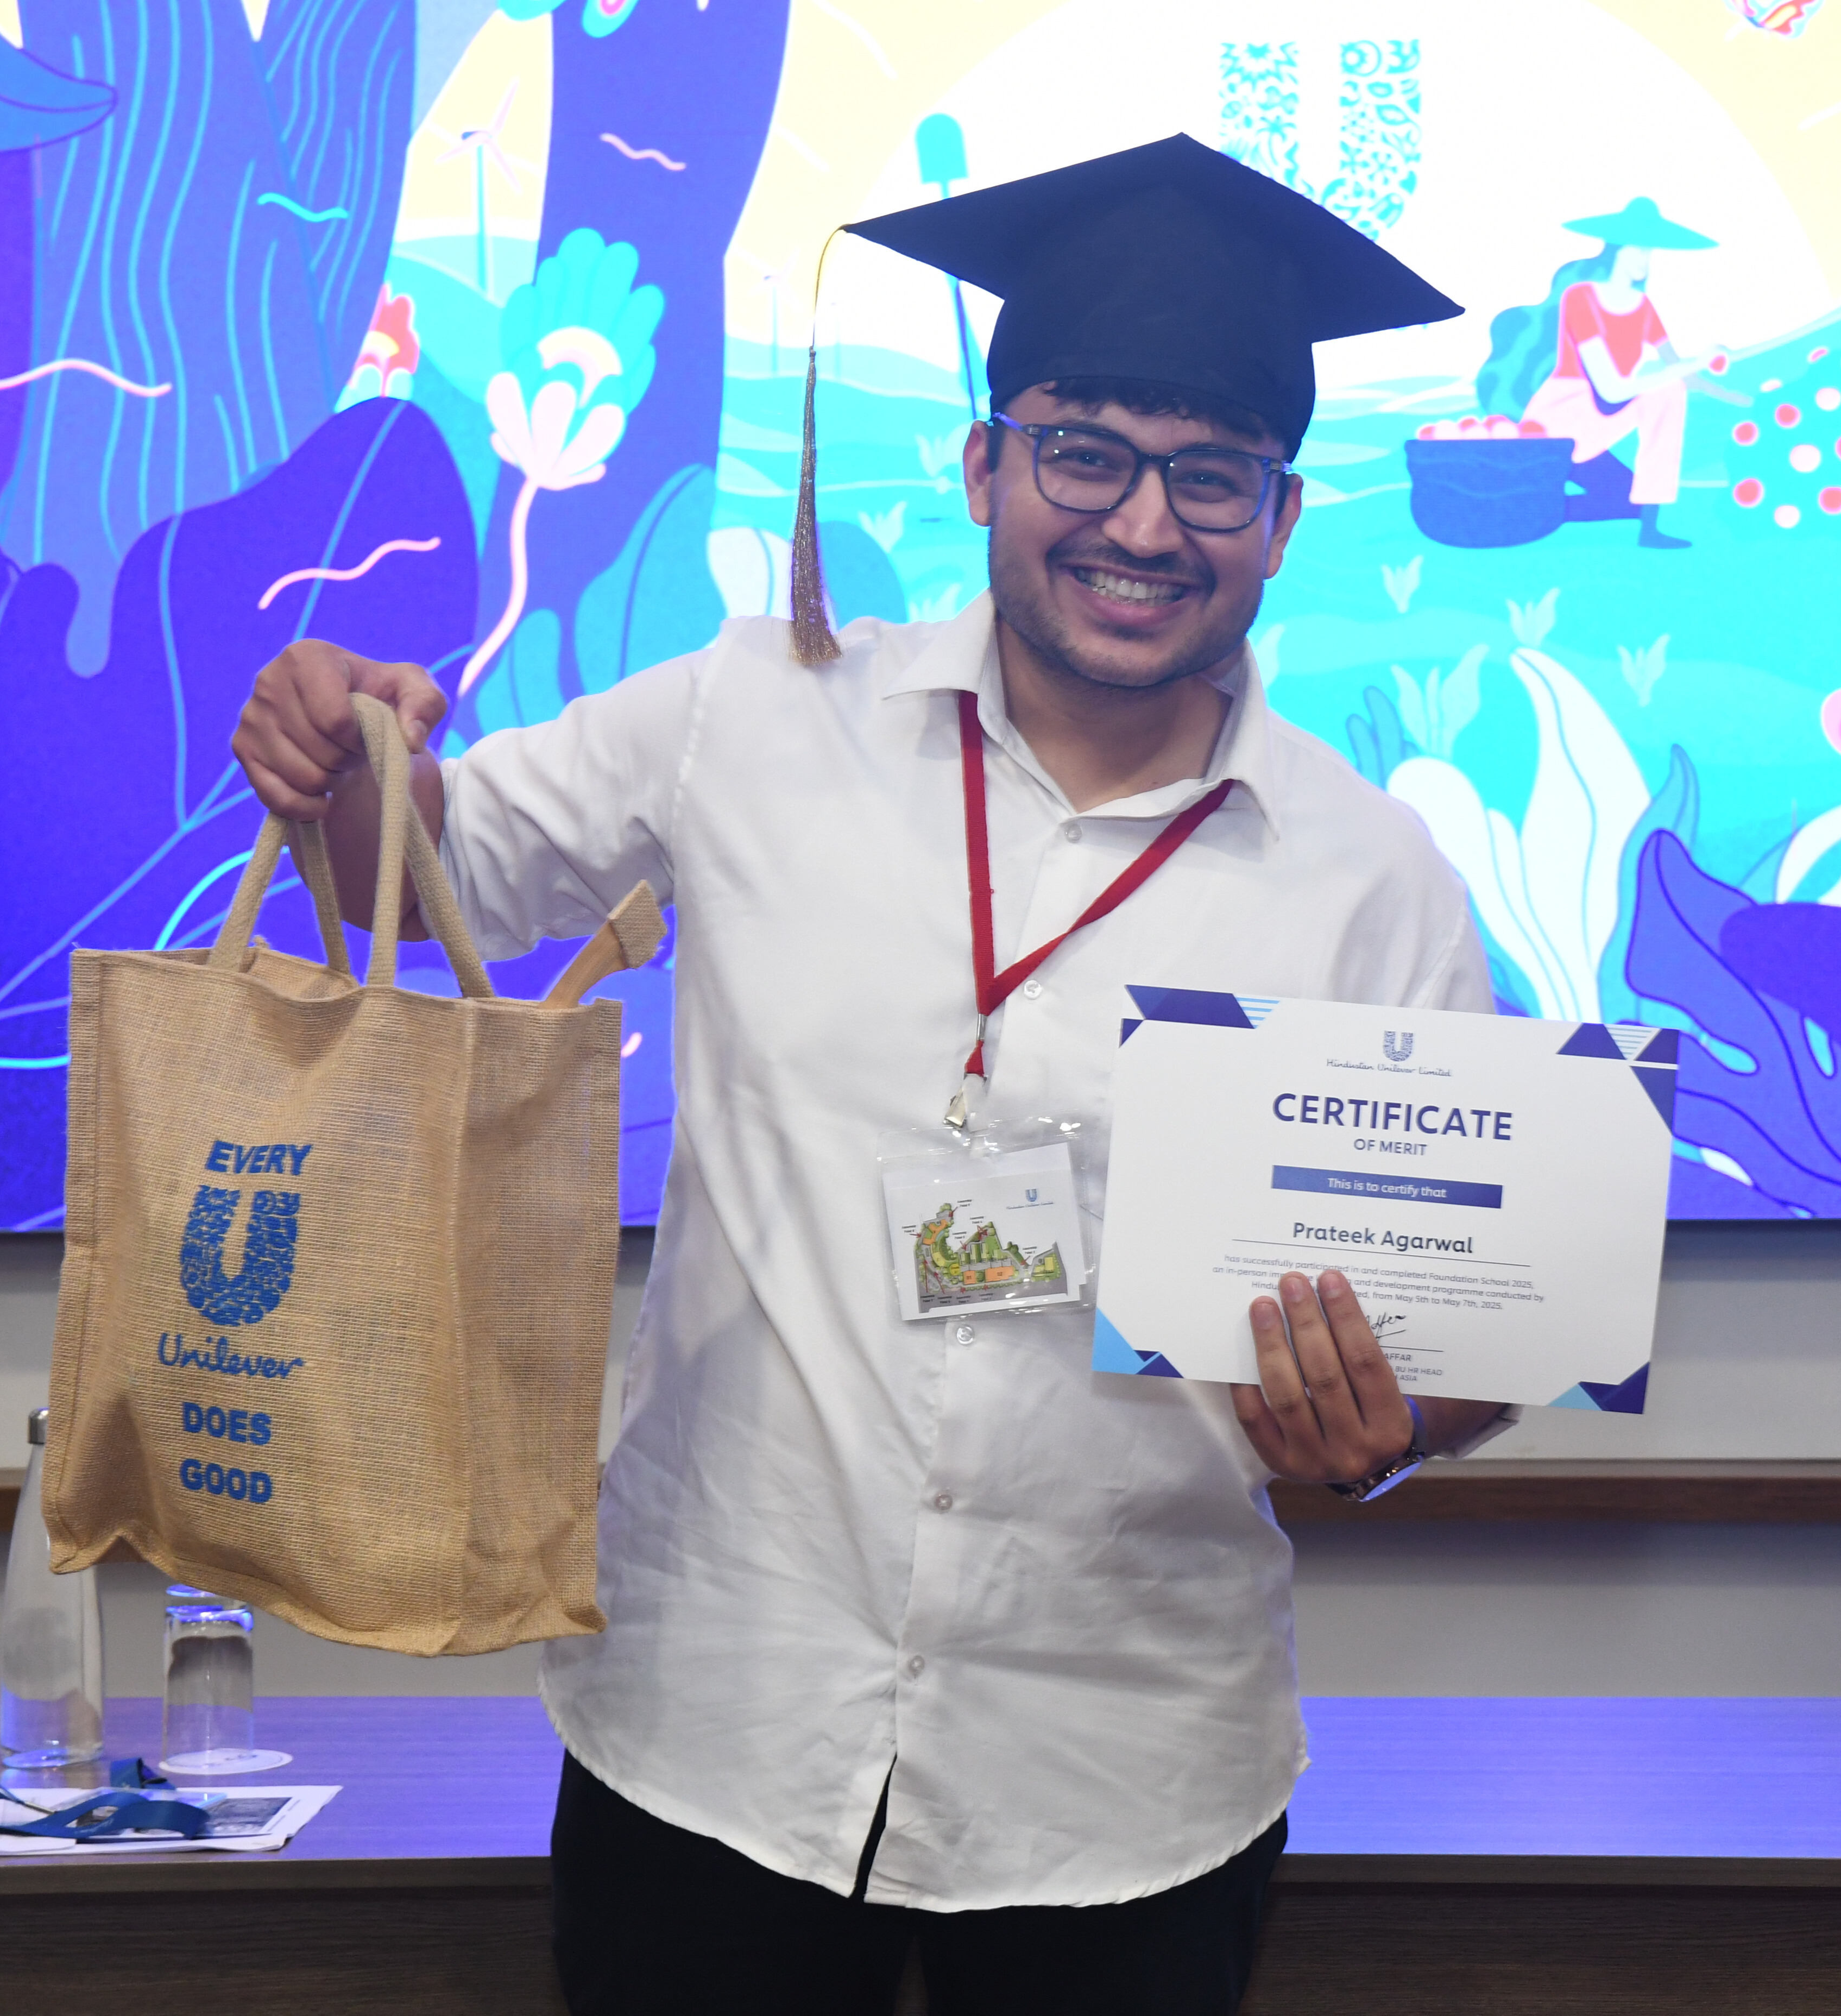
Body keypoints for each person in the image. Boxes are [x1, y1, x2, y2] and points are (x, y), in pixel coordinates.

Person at [232, 134, 1515, 2016]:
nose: (1142, 524)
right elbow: (410, 878)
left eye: (1210, 476)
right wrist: (340, 751)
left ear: (1282, 517)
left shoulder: (1367, 877)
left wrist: (1391, 1429)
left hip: (1125, 1770)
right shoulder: (751, 714)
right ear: (984, 464)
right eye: (1083, 452)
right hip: (713, 1730)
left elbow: (1475, 1326)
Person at [1483, 197, 1717, 550]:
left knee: (1667, 398)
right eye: (1640, 251)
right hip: (1562, 419)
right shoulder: (1582, 298)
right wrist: (1694, 365)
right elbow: (1611, 388)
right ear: (1617, 250)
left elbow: (1677, 370)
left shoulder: (1643, 307)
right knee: (1664, 390)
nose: (1646, 261)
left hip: (1599, 421)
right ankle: (1526, 509)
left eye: (1650, 253)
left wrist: (1733, 393)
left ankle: (1649, 526)